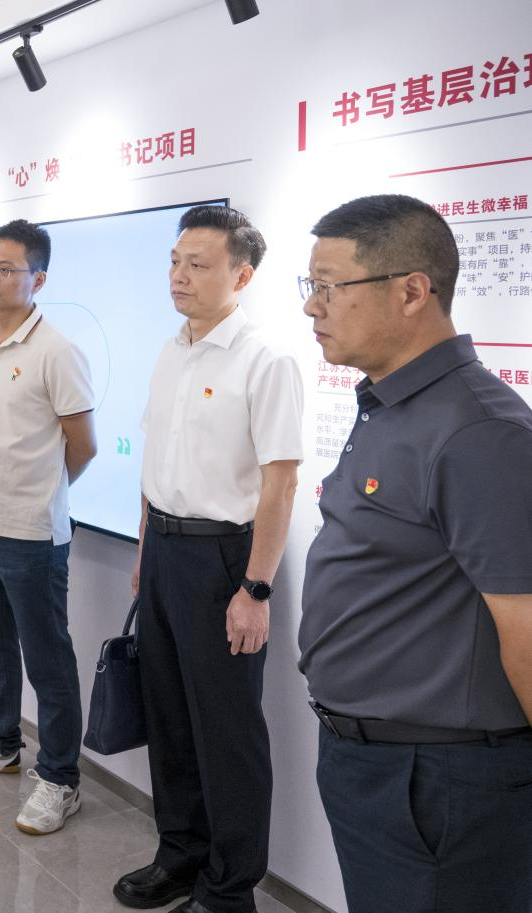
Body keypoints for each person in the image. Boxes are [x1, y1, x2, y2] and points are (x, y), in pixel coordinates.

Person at [298, 194, 532, 913]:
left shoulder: (479, 432)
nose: (312, 307)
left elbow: (526, 627)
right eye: (311, 286)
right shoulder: (391, 403)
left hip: (439, 779)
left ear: (411, 291)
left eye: (330, 286)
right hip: (373, 761)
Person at [114, 206, 303, 913]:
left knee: (226, 732)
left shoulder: (265, 359)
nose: (179, 275)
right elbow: (155, 463)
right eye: (174, 261)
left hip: (225, 560)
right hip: (165, 552)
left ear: (241, 275)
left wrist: (256, 588)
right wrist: (145, 553)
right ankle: (181, 856)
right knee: (168, 717)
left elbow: (280, 484)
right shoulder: (173, 349)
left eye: (198, 264)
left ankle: (229, 889)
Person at [0, 219, 97, 837]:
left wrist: (44, 493)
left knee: (48, 661)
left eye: (7, 269)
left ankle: (60, 777)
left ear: (39, 279)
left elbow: (82, 446)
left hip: (32, 535)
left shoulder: (57, 350)